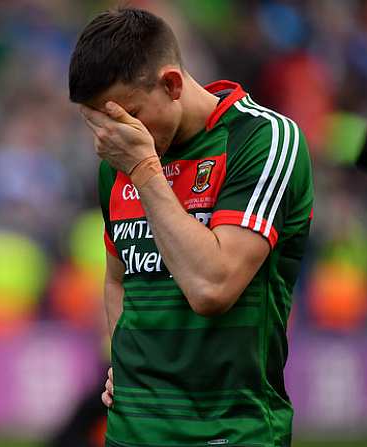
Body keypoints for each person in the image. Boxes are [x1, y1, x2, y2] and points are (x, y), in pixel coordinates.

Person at [68, 7, 314, 447]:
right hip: (130, 432)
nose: (110, 137)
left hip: (230, 431)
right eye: (100, 122)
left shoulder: (263, 140)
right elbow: (120, 275)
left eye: (127, 115)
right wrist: (123, 365)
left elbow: (212, 287)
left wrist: (145, 171)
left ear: (172, 84)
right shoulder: (120, 159)